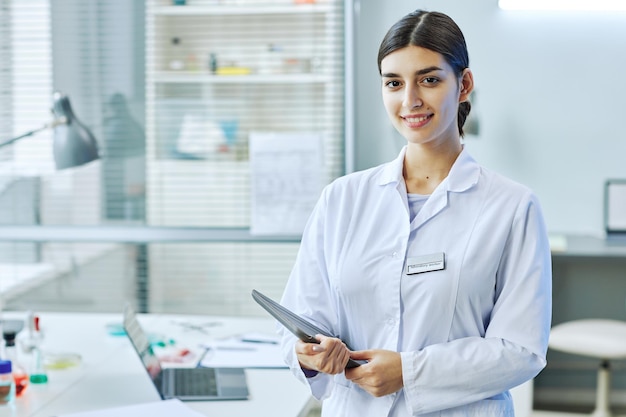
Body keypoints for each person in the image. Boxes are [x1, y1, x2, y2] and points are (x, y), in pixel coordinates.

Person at [278, 9, 552, 417]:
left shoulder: (512, 207)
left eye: (429, 79)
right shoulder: (341, 200)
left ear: (464, 85)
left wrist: (409, 371)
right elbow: (300, 322)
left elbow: (521, 350)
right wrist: (309, 354)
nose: (410, 100)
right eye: (394, 83)